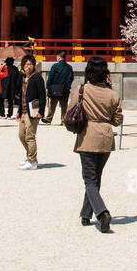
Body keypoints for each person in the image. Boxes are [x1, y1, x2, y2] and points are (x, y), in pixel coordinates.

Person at [70, 56, 123, 231]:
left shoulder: (82, 90)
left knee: (89, 179)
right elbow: (117, 120)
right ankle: (86, 215)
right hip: (106, 138)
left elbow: (70, 112)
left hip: (88, 136)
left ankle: (102, 213)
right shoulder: (113, 94)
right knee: (96, 177)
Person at [17, 56, 47, 169]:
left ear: (33, 65)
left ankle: (32, 161)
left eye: (30, 64)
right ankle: (30, 155)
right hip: (24, 110)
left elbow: (42, 96)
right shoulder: (23, 78)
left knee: (30, 136)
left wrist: (41, 111)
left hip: (33, 111)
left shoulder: (37, 78)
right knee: (21, 135)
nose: (28, 67)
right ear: (23, 66)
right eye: (26, 65)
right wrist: (19, 111)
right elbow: (22, 96)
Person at [43, 52, 74, 125]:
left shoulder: (55, 66)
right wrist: (68, 86)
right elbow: (71, 78)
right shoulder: (69, 67)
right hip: (65, 88)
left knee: (52, 104)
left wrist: (47, 87)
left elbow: (50, 77)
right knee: (64, 105)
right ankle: (63, 120)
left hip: (55, 88)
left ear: (59, 58)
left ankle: (49, 119)